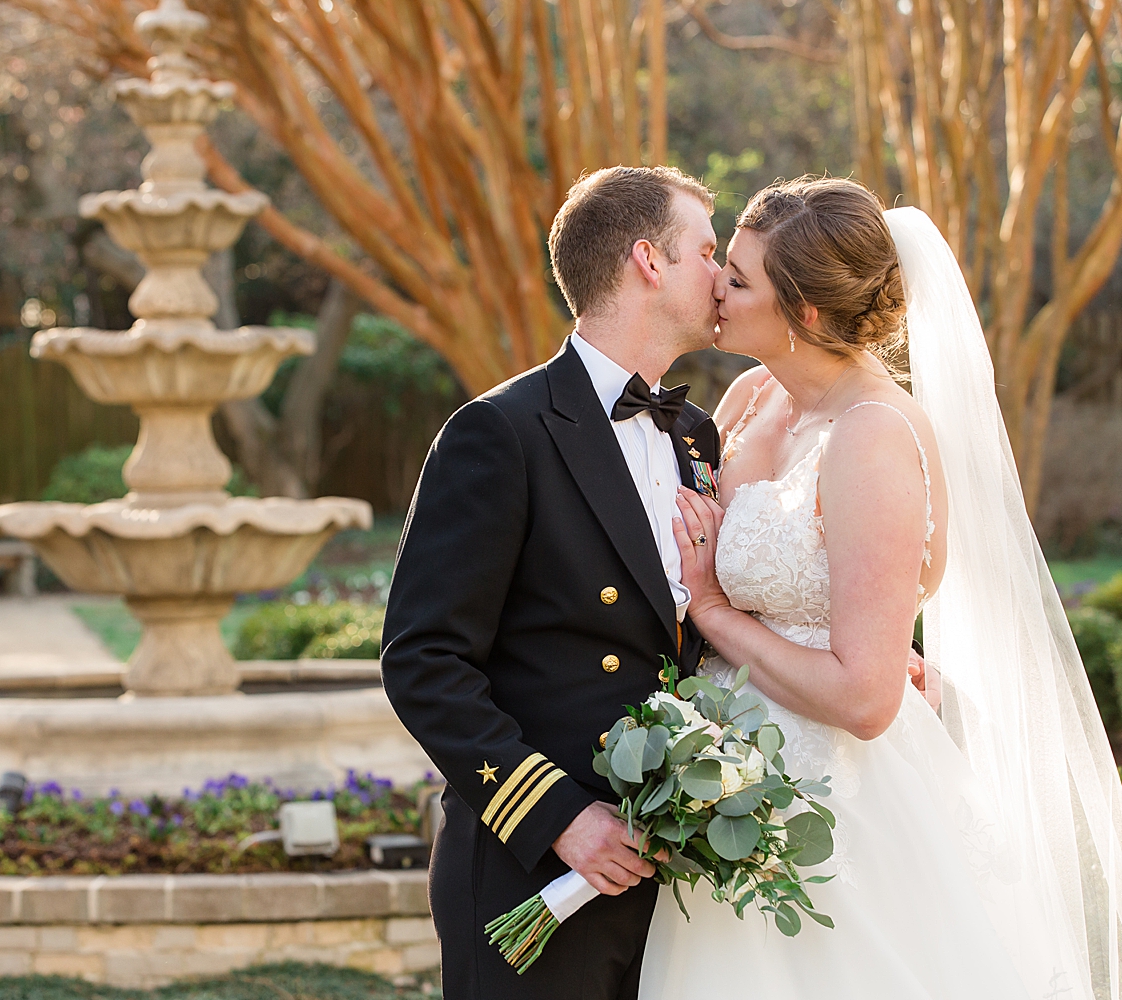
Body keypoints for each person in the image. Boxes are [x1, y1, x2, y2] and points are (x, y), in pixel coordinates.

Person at [642, 176, 1122, 998]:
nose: (718, 283)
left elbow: (866, 696)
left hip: (836, 806)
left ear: (809, 315)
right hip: (722, 779)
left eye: (742, 277)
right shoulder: (754, 397)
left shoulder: (873, 438)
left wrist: (715, 612)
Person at [381, 164, 724, 999]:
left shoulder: (698, 438)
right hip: (535, 873)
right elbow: (424, 659)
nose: (725, 276)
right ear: (649, 261)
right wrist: (560, 819)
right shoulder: (499, 431)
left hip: (678, 871)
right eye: (708, 252)